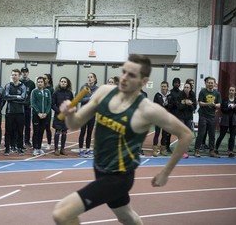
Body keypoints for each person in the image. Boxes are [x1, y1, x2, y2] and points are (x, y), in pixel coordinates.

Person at [52, 54, 193, 225]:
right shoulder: (104, 92)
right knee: (127, 217)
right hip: (99, 168)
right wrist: (70, 113)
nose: (124, 78)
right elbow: (74, 124)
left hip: (118, 177)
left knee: (61, 214)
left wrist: (165, 173)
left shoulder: (148, 110)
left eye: (131, 75)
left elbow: (186, 135)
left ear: (143, 81)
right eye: (124, 71)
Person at [194, 77, 221, 157]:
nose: (210, 84)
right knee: (201, 133)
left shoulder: (217, 93)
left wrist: (215, 105)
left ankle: (212, 151)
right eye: (209, 82)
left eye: (212, 83)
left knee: (212, 134)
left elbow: (219, 105)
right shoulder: (202, 92)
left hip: (212, 116)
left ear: (214, 84)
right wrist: (208, 104)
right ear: (206, 83)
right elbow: (200, 103)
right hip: (203, 115)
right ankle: (197, 150)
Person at [3, 69, 26, 156]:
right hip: (10, 112)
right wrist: (17, 97)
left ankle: (19, 148)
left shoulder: (23, 86)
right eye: (12, 75)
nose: (14, 76)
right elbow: (6, 97)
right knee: (8, 131)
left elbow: (23, 98)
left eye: (16, 75)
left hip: (20, 112)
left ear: (19, 76)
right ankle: (7, 148)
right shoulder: (8, 85)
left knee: (20, 131)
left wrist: (12, 99)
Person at [51, 77, 74, 156]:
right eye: (62, 81)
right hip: (58, 116)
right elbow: (52, 104)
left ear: (67, 83)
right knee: (57, 132)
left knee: (64, 132)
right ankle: (56, 149)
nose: (63, 83)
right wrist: (59, 111)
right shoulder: (56, 93)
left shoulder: (70, 93)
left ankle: (62, 149)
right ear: (59, 83)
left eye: (65, 82)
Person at [78, 73, 99, 158]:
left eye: (91, 77)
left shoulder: (97, 89)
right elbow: (79, 99)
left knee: (90, 133)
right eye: (88, 77)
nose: (89, 79)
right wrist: (89, 98)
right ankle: (80, 150)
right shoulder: (83, 87)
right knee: (83, 132)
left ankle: (88, 149)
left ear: (95, 79)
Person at [30, 76, 51, 156]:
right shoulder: (34, 91)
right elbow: (33, 103)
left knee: (41, 132)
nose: (40, 83)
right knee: (36, 132)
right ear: (37, 83)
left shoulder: (47, 91)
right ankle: (35, 148)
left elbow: (49, 103)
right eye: (38, 82)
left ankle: (39, 148)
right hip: (36, 115)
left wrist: (46, 113)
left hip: (45, 116)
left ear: (44, 83)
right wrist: (38, 113)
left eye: (41, 82)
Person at [215, 86, 236, 157]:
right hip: (225, 120)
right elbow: (223, 110)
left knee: (232, 136)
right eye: (230, 90)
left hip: (234, 120)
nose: (231, 91)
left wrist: (234, 108)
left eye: (232, 90)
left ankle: (230, 151)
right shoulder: (224, 99)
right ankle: (216, 149)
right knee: (221, 135)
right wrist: (232, 107)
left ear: (235, 92)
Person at [176, 83, 197, 158]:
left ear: (190, 88)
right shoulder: (179, 95)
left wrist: (190, 105)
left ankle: (184, 150)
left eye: (188, 87)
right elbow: (178, 107)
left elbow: (194, 107)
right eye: (185, 87)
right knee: (182, 134)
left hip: (189, 117)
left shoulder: (193, 95)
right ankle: (182, 151)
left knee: (187, 135)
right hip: (181, 117)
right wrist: (185, 103)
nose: (186, 88)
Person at [152, 81, 171, 157]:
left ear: (167, 87)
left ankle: (162, 150)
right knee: (157, 133)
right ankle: (155, 150)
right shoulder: (157, 95)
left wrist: (167, 105)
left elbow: (172, 105)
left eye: (165, 86)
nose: (163, 88)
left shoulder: (170, 95)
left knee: (164, 134)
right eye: (162, 86)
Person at [20, 67, 36, 148]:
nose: (24, 73)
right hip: (19, 106)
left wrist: (31, 104)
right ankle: (18, 140)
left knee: (27, 125)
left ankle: (27, 140)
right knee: (19, 125)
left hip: (27, 107)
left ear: (28, 73)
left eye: (26, 72)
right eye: (23, 72)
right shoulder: (19, 82)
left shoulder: (32, 83)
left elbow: (33, 95)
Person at [43, 73, 54, 150]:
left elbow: (51, 102)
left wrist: (46, 111)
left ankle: (49, 143)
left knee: (47, 128)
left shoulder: (51, 89)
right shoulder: (39, 88)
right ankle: (37, 143)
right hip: (39, 112)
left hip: (47, 112)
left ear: (48, 80)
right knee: (39, 128)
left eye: (45, 78)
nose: (43, 79)